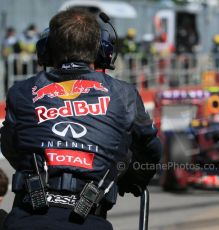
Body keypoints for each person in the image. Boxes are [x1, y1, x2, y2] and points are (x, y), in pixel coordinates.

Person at [1, 9, 161, 230]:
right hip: (90, 220)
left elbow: (11, 148)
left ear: (45, 50)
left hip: (27, 217)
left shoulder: (20, 91)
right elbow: (150, 150)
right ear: (101, 52)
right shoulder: (124, 94)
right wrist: (130, 177)